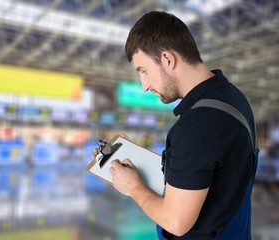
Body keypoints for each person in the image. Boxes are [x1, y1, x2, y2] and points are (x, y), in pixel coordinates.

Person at [91, 11, 257, 239]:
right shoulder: (231, 97)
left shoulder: (196, 127)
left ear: (168, 59)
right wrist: (138, 159)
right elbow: (206, 171)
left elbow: (176, 222)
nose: (144, 86)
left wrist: (133, 188)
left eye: (144, 71)